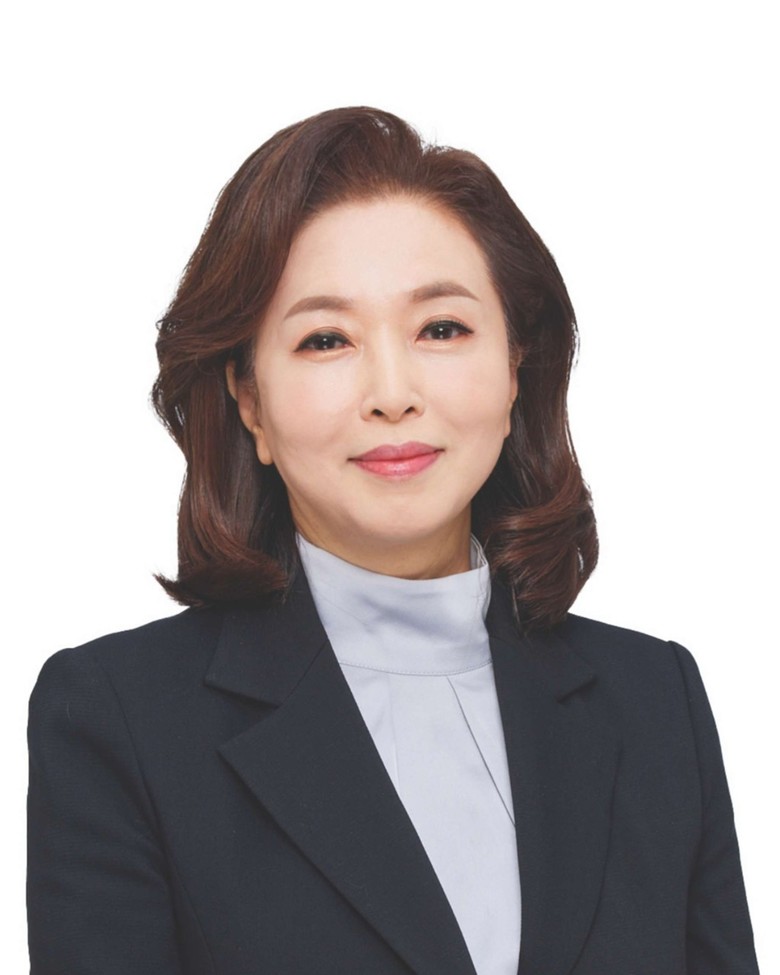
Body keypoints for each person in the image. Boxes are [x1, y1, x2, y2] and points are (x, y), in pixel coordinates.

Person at [27, 107, 759, 975]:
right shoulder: (117, 719)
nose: (392, 391)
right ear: (250, 401)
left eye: (441, 328)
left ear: (516, 364)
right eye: (325, 339)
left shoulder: (654, 700)